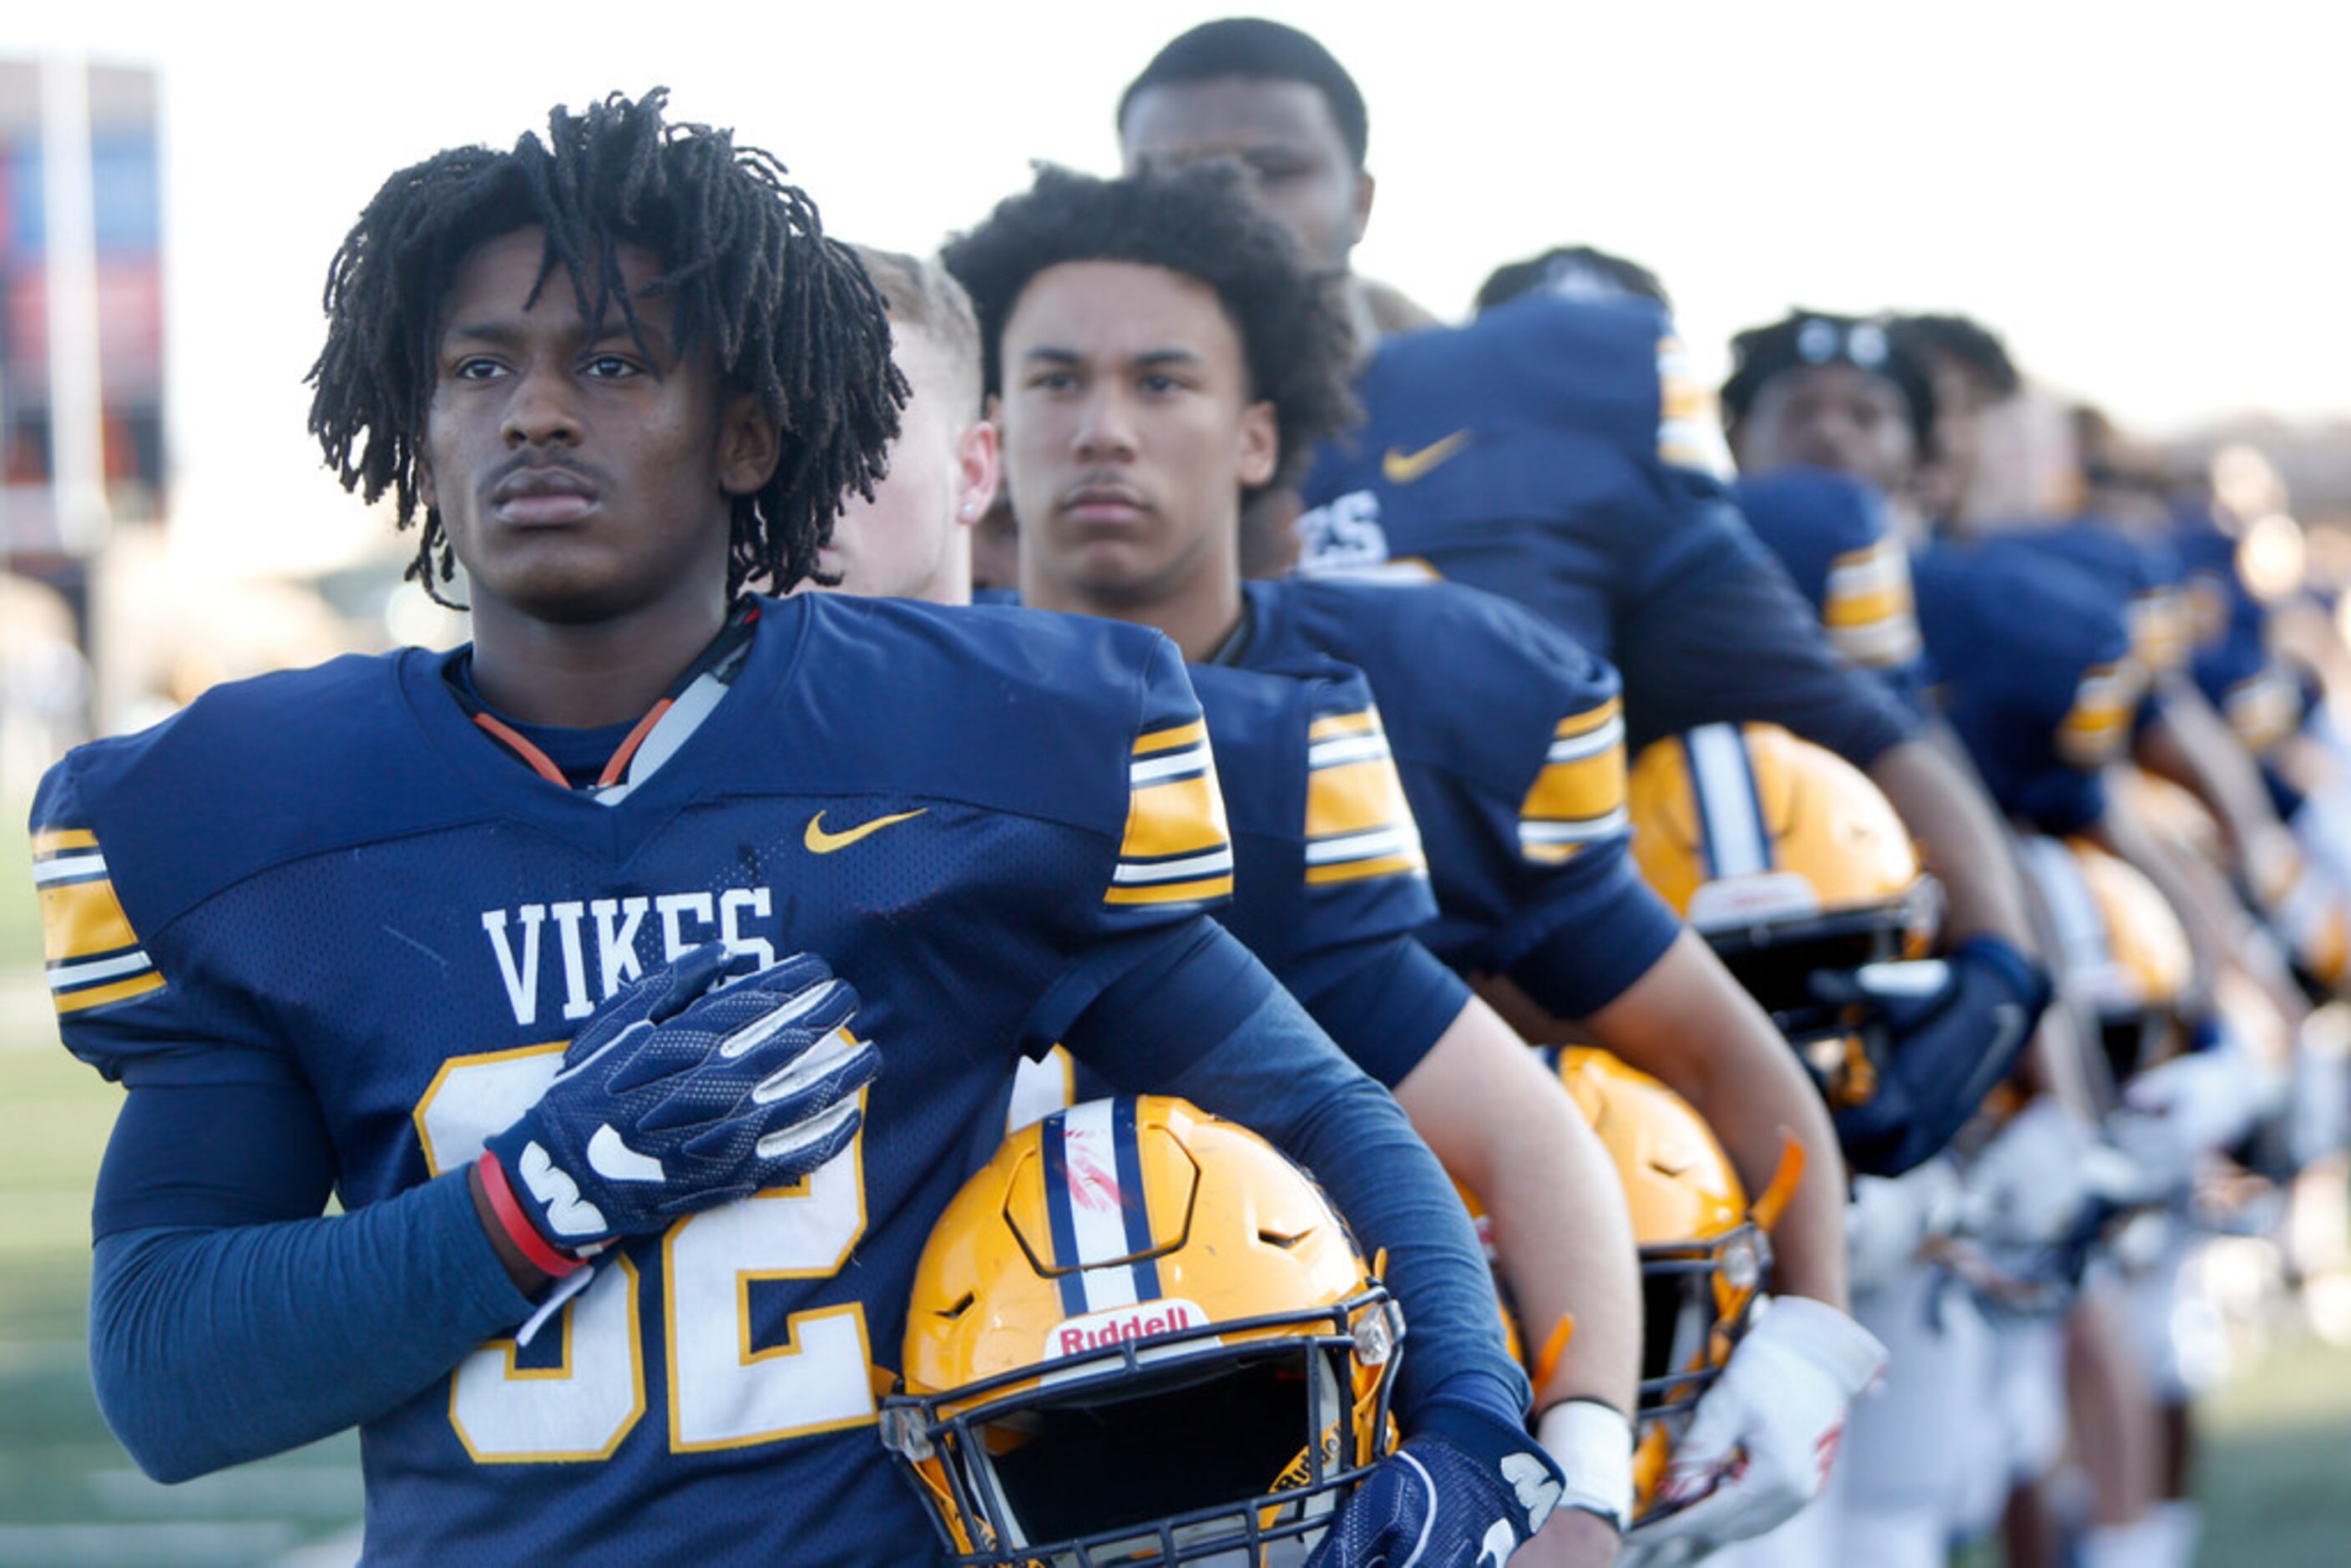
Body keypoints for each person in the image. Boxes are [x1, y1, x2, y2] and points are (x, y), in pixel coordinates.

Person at [33, 92, 1560, 1565]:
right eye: (480, 368)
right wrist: (532, 1200)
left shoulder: (971, 747)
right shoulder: (265, 812)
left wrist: (1479, 1417)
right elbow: (169, 1372)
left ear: (750, 435)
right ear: (418, 421)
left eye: (616, 364)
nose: (539, 410)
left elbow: (1327, 1115)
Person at [938, 162, 1890, 1560]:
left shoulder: (1416, 700)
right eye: (1057, 382)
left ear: (1261, 436)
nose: (1101, 433)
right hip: (1021, 1438)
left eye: (1161, 383)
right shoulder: (903, 713)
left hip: (1410, 1441)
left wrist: (1799, 1339)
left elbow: (1707, 1047)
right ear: (988, 427)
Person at [1113, 15, 2055, 1193]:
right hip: (1208, 1123)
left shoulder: (1542, 405)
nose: (1229, 211)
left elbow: (1851, 719)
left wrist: (2004, 966)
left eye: (1274, 170)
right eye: (1179, 181)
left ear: (1360, 199)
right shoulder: (1072, 444)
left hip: (1582, 1086)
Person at [821, 238, 1643, 1562]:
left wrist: (1578, 1478)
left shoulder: (1150, 754)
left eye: (854, 431)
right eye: (761, 436)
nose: (801, 483)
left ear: (971, 465)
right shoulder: (641, 789)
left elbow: (1510, 1136)